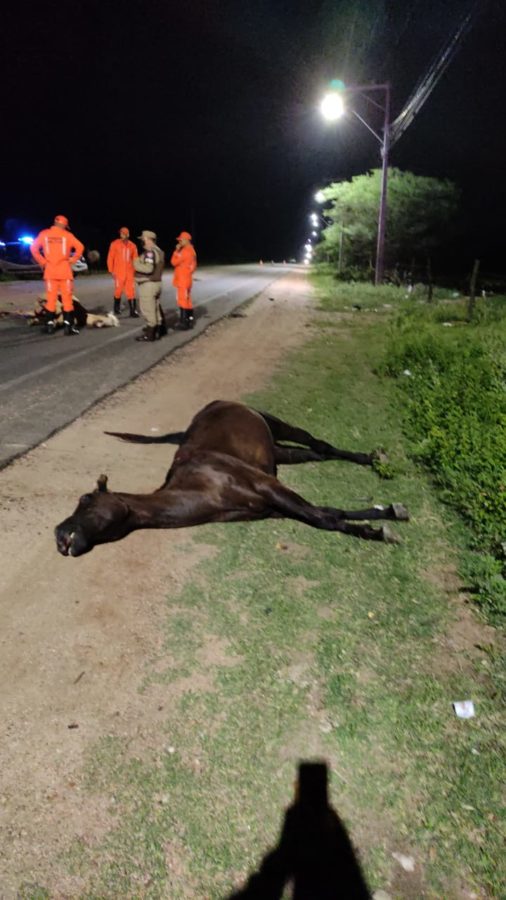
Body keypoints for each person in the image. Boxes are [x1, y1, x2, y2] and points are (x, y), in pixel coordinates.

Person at [30, 215, 84, 335]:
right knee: (67, 299)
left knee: (51, 299)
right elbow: (80, 247)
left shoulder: (44, 234)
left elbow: (33, 248)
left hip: (50, 271)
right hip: (64, 271)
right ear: (64, 225)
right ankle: (68, 327)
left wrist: (43, 262)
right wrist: (72, 260)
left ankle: (49, 326)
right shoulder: (68, 235)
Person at [133, 230, 165, 341]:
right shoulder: (159, 251)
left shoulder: (149, 252)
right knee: (155, 308)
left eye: (143, 239)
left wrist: (136, 263)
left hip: (149, 284)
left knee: (148, 309)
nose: (141, 241)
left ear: (147, 239)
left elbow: (148, 268)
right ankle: (158, 330)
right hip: (157, 283)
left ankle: (150, 335)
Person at [107, 227, 139, 317]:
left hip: (129, 272)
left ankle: (133, 311)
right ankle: (116, 308)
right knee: (118, 291)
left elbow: (135, 259)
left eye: (124, 234)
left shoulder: (133, 246)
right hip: (118, 272)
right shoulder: (114, 244)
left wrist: (136, 270)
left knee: (131, 291)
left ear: (128, 235)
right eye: (121, 233)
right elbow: (110, 258)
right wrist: (111, 270)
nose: (122, 235)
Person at [170, 231, 197, 329]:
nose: (179, 242)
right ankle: (189, 320)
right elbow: (194, 266)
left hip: (183, 279)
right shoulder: (192, 251)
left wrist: (176, 251)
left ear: (186, 240)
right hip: (187, 278)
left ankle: (183, 323)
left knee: (182, 300)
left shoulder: (185, 251)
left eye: (181, 240)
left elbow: (173, 262)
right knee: (187, 300)